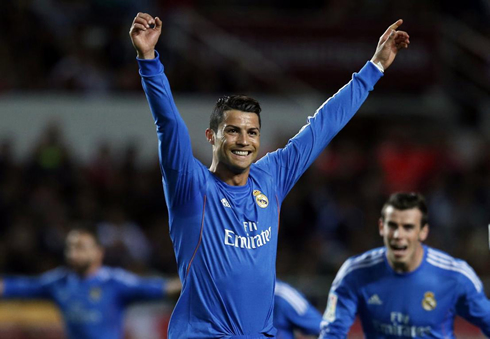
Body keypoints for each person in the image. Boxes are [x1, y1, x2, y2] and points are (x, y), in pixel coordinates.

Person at [129, 12, 409, 338]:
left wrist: (374, 68)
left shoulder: (270, 176)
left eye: (251, 132)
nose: (244, 141)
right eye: (232, 131)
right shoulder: (191, 186)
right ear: (211, 137)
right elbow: (169, 125)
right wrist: (148, 59)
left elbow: (322, 126)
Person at [319, 192, 490, 338]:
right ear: (381, 227)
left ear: (423, 231)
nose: (397, 235)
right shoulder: (355, 273)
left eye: (407, 227)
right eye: (392, 226)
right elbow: (332, 332)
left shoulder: (455, 276)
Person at [0, 228, 181, 339]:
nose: (73, 252)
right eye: (70, 247)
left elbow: (161, 288)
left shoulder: (114, 282)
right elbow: (19, 287)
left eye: (80, 247)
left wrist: (195, 284)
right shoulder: (58, 282)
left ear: (98, 252)